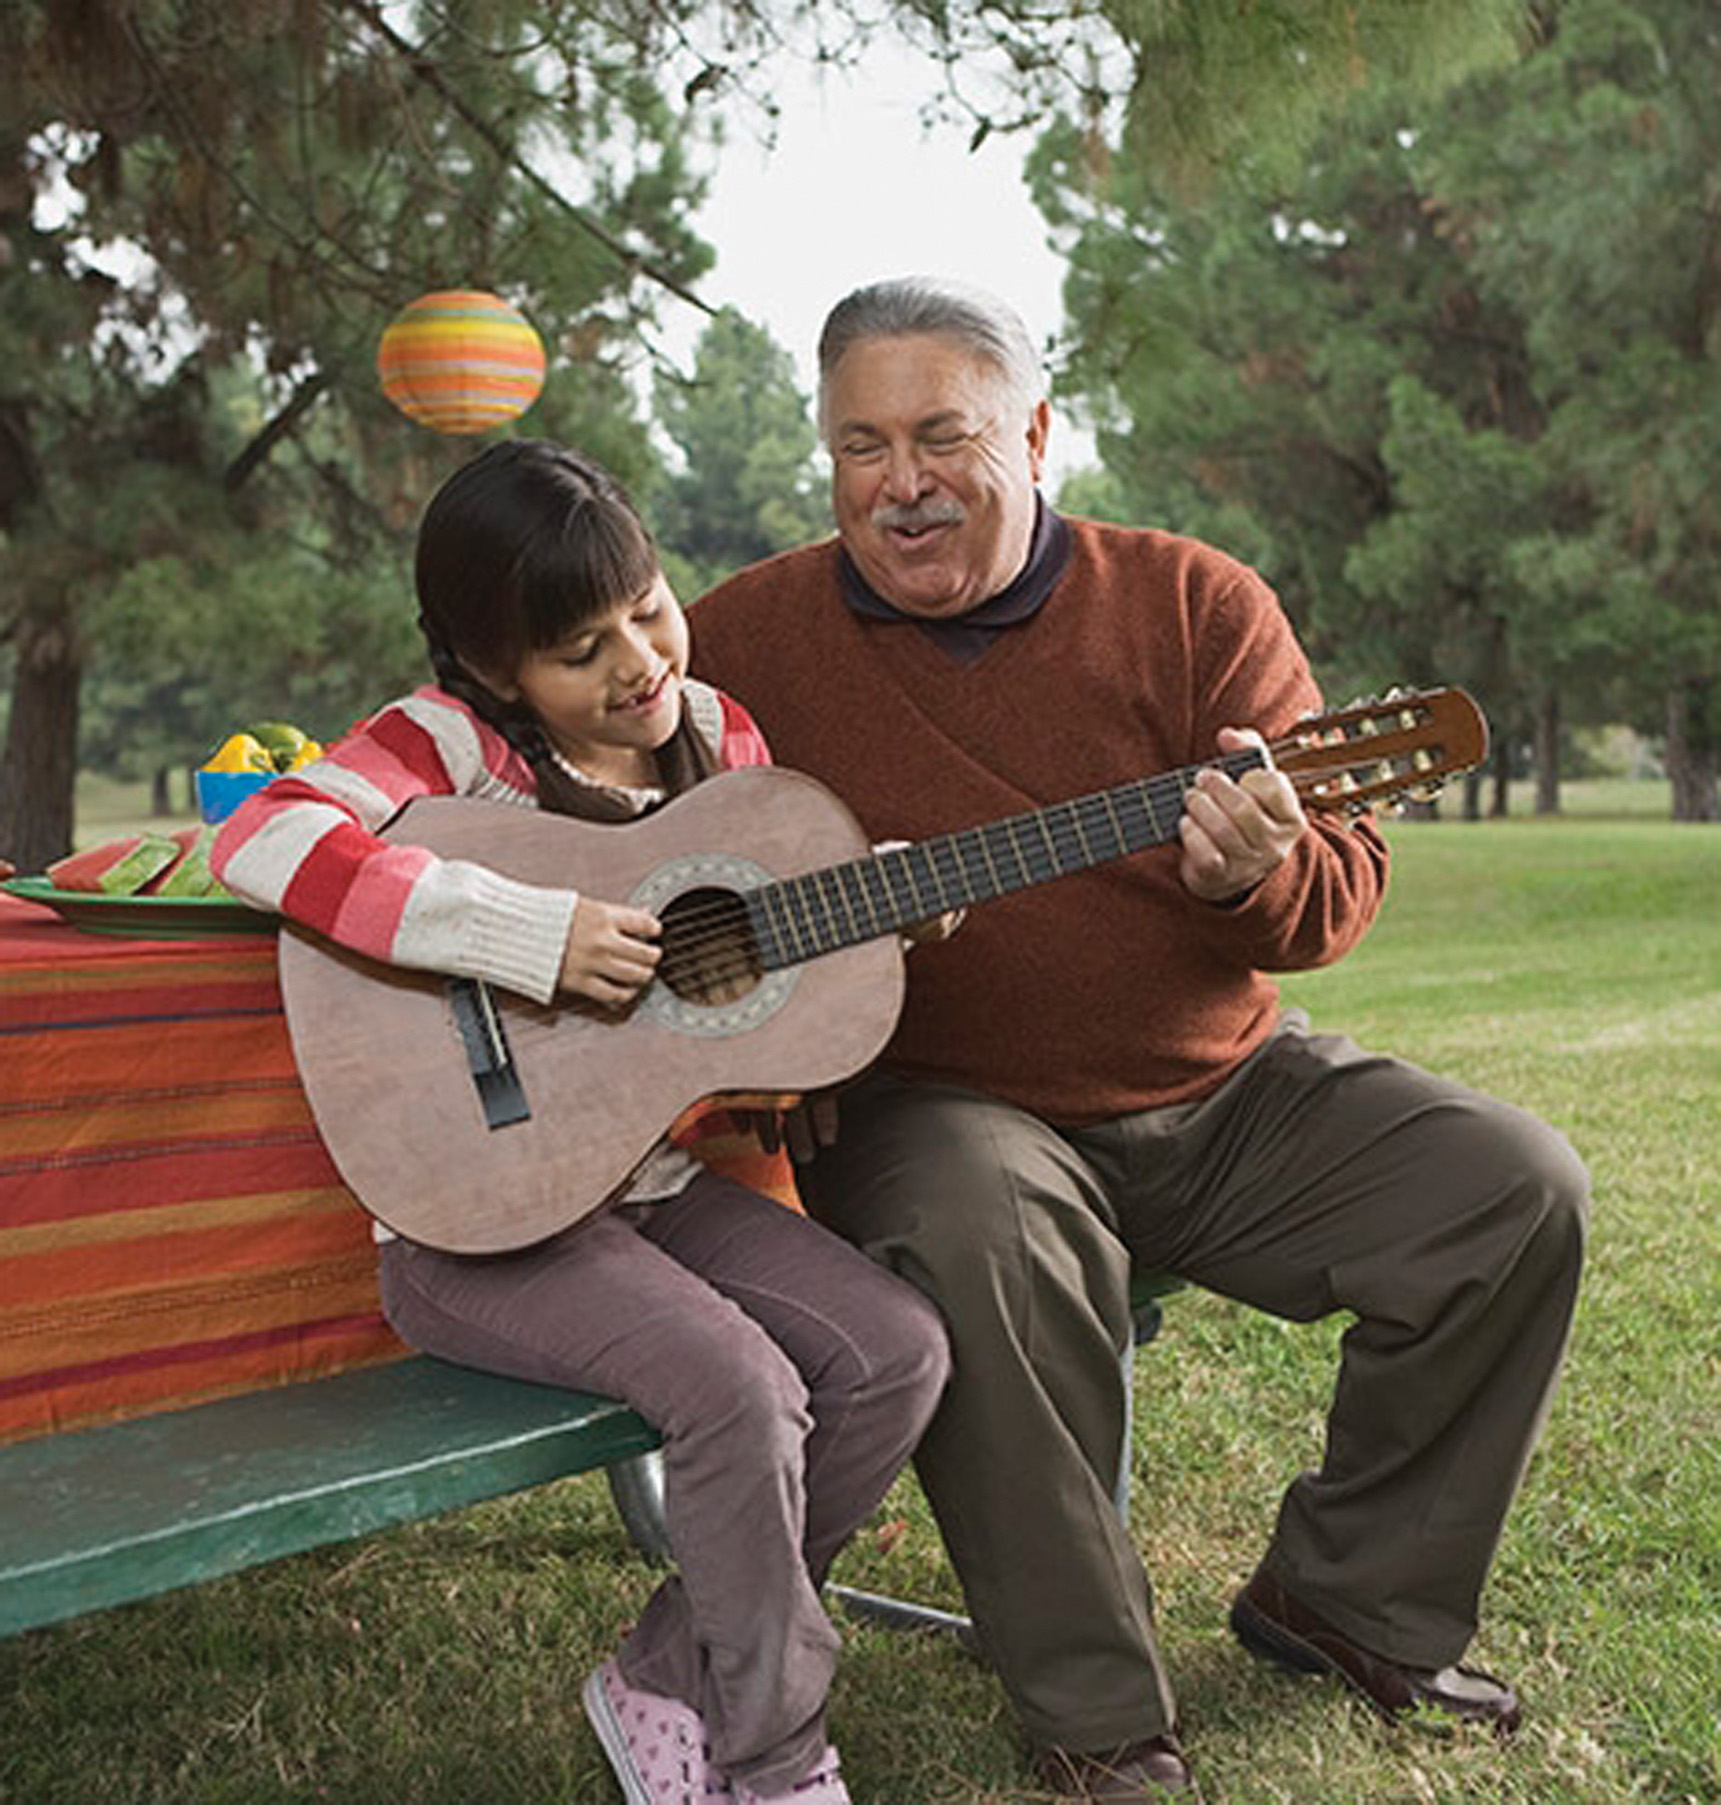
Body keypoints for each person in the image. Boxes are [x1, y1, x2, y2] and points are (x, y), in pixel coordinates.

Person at [689, 278, 1590, 1803]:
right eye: (857, 445)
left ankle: (1350, 1598)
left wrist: (1257, 871)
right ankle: (1098, 1719)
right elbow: (632, 847)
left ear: (1035, 435)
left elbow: (1334, 896)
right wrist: (767, 1022)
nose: (897, 482)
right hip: (937, 1112)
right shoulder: (743, 638)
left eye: (939, 436)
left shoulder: (1193, 602)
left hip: (1217, 1091)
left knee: (1509, 1189)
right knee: (987, 1222)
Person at [211, 439, 951, 1805]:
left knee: (895, 1351)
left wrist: (875, 922)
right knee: (739, 1385)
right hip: (475, 1213)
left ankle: (667, 1673)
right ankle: (778, 1761)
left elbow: (745, 981)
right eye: (576, 646)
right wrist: (519, 932)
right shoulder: (448, 743)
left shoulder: (726, 745)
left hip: (652, 1183)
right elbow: (259, 838)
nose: (636, 662)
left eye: (647, 606)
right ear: (498, 670)